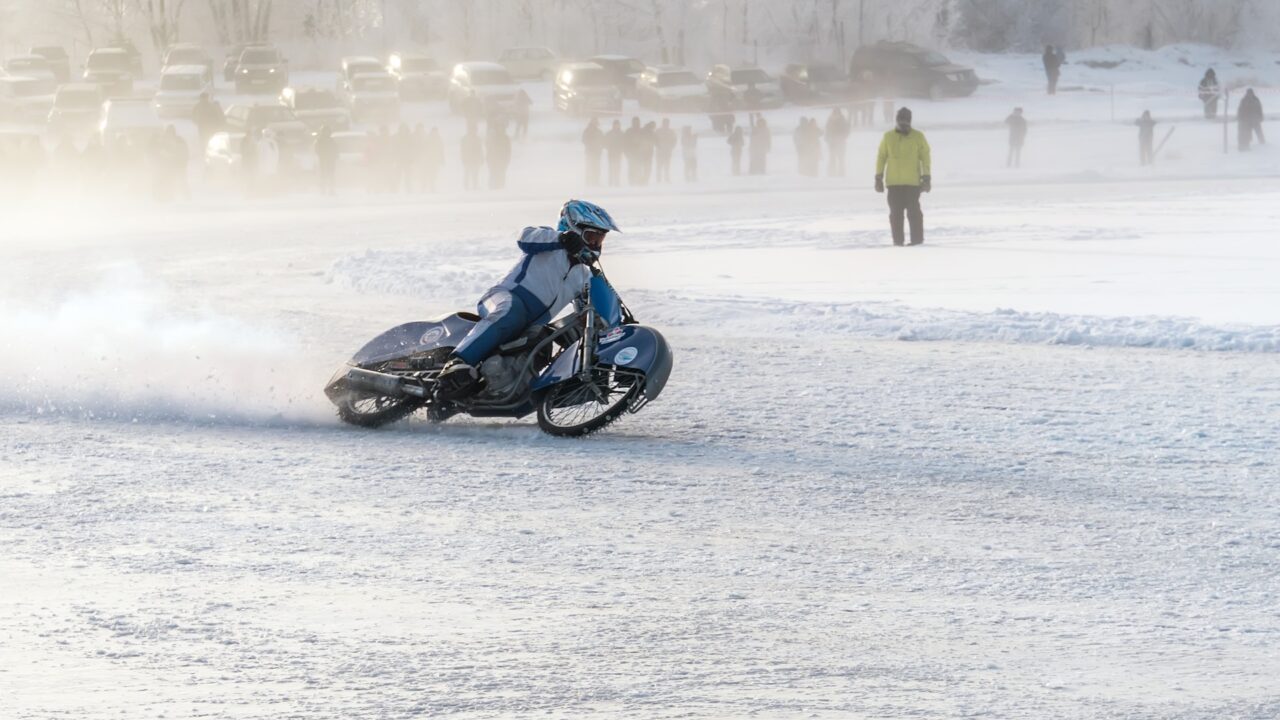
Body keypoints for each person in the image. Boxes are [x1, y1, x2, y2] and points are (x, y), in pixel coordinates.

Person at [435, 200, 621, 400]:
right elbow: (524, 237)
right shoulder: (549, 243)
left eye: (599, 239)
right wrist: (561, 238)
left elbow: (589, 312)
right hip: (502, 298)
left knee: (546, 343)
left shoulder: (583, 276)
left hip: (530, 325)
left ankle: (502, 394)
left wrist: (615, 324)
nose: (594, 244)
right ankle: (456, 362)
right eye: (590, 236)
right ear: (572, 229)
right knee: (510, 311)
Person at [875, 107, 931, 246]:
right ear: (897, 120)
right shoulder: (888, 137)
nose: (904, 124)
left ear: (910, 121)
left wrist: (926, 177)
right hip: (893, 184)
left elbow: (925, 157)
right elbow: (881, 157)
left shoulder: (918, 136)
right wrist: (878, 177)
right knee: (895, 214)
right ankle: (898, 241)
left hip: (912, 183)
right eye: (901, 121)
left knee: (914, 213)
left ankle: (917, 241)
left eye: (906, 121)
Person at [485, 120, 511, 190]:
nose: (501, 129)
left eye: (502, 128)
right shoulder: (493, 137)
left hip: (502, 159)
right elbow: (488, 147)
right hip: (493, 159)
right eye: (499, 127)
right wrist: (488, 158)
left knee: (501, 173)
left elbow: (508, 150)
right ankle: (492, 187)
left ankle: (500, 186)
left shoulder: (506, 138)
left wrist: (507, 159)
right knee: (493, 173)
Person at [824, 108, 849, 176]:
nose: (835, 115)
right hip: (832, 142)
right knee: (832, 157)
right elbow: (827, 129)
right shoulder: (830, 120)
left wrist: (843, 137)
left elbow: (847, 130)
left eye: (836, 114)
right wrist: (827, 138)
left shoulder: (842, 120)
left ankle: (841, 173)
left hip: (840, 141)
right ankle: (832, 173)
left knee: (840, 158)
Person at [315, 125, 338, 195]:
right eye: (325, 131)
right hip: (323, 160)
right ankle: (323, 190)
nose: (327, 133)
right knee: (323, 175)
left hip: (330, 160)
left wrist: (335, 155)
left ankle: (331, 190)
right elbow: (317, 149)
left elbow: (335, 149)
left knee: (331, 175)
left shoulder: (331, 140)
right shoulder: (319, 140)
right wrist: (321, 155)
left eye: (328, 131)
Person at [461, 122, 484, 191]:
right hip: (468, 159)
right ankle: (466, 187)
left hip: (476, 159)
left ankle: (475, 186)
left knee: (475, 174)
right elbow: (462, 150)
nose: (474, 131)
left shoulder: (478, 139)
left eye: (475, 129)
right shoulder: (465, 139)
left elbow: (480, 149)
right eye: (472, 129)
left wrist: (481, 158)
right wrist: (463, 158)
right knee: (467, 173)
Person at [582, 118, 604, 186]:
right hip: (590, 152)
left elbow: (603, 141)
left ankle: (596, 181)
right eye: (594, 122)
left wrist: (600, 146)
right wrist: (591, 143)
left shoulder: (599, 131)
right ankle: (588, 182)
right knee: (589, 167)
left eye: (596, 123)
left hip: (597, 152)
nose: (595, 124)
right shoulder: (587, 131)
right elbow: (584, 140)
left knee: (596, 168)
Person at [422, 126, 444, 192]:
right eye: (434, 131)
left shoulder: (439, 139)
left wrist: (442, 159)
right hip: (428, 160)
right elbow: (424, 149)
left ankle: (432, 187)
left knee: (434, 174)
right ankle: (424, 187)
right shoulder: (428, 139)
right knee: (427, 174)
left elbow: (441, 150)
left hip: (435, 160)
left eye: (436, 132)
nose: (435, 133)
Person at [654, 118, 677, 183]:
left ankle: (667, 178)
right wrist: (658, 146)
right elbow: (655, 139)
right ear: (663, 123)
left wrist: (671, 147)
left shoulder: (671, 131)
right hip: (660, 152)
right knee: (659, 166)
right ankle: (658, 179)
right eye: (665, 123)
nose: (666, 124)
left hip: (667, 151)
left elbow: (674, 140)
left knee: (667, 166)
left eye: (667, 123)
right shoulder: (658, 131)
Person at [604, 119, 625, 186]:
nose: (616, 126)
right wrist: (609, 148)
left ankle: (617, 182)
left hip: (618, 154)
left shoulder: (621, 133)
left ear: (619, 125)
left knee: (618, 168)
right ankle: (610, 182)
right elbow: (604, 142)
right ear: (613, 125)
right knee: (611, 168)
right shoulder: (609, 133)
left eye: (618, 125)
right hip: (611, 153)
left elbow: (624, 142)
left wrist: (622, 149)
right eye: (615, 125)